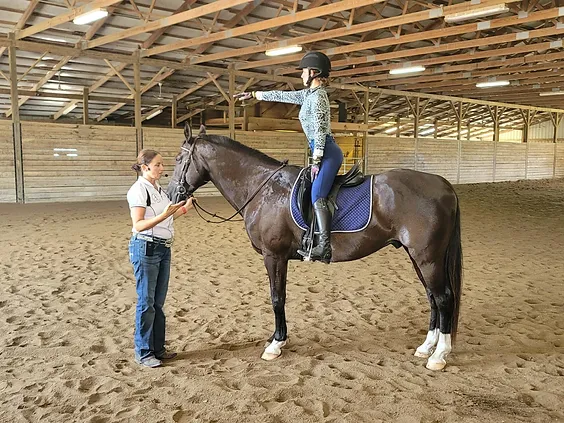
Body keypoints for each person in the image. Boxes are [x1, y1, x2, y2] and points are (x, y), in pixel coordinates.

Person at [234, 51, 343, 263]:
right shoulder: (308, 95)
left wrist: (317, 158)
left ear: (313, 72)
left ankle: (324, 246)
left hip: (327, 151)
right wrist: (255, 95)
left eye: (304, 72)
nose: (302, 76)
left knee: (317, 194)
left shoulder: (319, 97)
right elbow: (283, 96)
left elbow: (320, 129)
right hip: (320, 150)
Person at [127, 149, 194, 368]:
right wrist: (165, 215)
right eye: (157, 165)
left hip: (162, 248)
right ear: (145, 167)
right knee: (146, 302)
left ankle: (157, 348)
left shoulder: (158, 189)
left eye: (161, 164)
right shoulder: (139, 190)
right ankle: (144, 351)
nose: (162, 168)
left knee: (157, 303)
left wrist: (182, 210)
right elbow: (138, 225)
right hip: (146, 247)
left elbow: (166, 217)